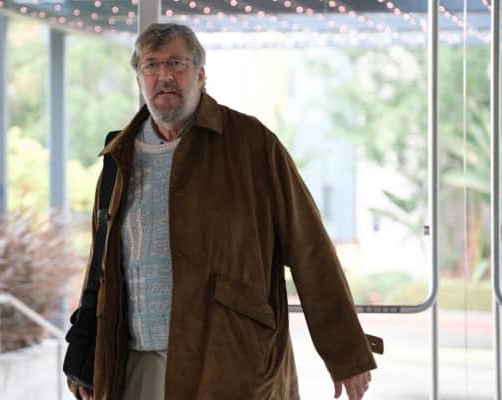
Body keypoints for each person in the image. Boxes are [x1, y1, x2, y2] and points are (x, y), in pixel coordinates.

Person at [69, 22, 382, 400]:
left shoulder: (252, 145)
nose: (164, 75)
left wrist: (346, 354)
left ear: (201, 75)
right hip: (135, 362)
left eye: (176, 63)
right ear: (139, 80)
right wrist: (88, 357)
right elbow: (101, 266)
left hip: (228, 363)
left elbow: (310, 248)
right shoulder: (119, 155)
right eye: (151, 65)